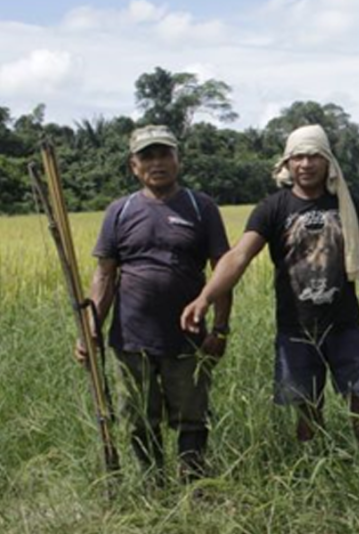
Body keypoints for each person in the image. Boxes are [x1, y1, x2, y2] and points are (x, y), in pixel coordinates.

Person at [181, 124, 359, 456]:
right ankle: (315, 469)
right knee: (307, 409)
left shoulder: (348, 204)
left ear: (327, 161)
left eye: (314, 156)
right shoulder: (273, 208)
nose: (306, 164)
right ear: (287, 163)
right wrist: (205, 298)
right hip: (296, 328)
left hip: (345, 324)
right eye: (298, 157)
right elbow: (239, 256)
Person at [79, 124, 232, 483]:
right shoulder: (120, 211)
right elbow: (104, 276)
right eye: (147, 156)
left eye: (164, 154)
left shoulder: (201, 207)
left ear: (178, 160)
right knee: (137, 417)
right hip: (131, 338)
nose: (157, 163)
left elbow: (223, 270)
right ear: (134, 166)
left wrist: (221, 328)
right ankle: (152, 486)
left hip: (188, 338)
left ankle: (193, 484)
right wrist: (90, 329)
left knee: (193, 417)